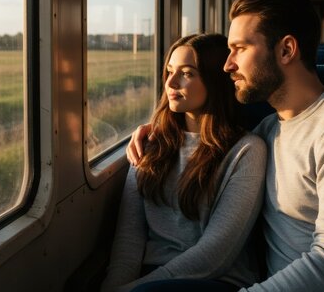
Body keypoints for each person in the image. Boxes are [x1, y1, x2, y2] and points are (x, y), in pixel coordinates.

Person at [127, 0, 324, 291]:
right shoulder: (267, 130)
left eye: (240, 48)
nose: (228, 65)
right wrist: (158, 129)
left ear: (286, 50)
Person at [101, 34, 267, 292]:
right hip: (149, 279)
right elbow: (129, 237)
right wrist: (115, 287)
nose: (171, 82)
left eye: (187, 73)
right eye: (169, 71)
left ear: (215, 81)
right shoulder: (149, 143)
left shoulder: (246, 151)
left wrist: (134, 290)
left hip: (215, 279)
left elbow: (216, 253)